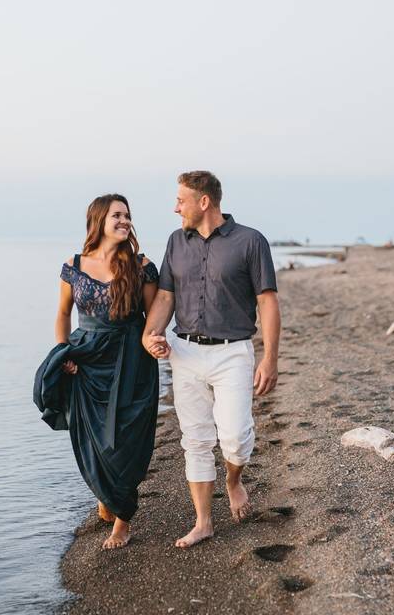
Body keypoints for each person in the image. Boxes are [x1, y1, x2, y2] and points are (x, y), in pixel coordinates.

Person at [142, 171, 281, 548]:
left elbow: (267, 300)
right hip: (185, 352)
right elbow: (166, 297)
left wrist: (270, 358)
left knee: (235, 438)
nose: (175, 207)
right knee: (196, 440)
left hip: (233, 352)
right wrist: (149, 333)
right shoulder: (175, 242)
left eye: (181, 200)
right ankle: (203, 522)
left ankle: (234, 480)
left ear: (204, 202)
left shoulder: (251, 242)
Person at [33, 194, 160, 550]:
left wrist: (157, 343)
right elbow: (62, 314)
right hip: (86, 361)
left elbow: (154, 318)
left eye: (128, 215)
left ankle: (122, 521)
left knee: (127, 439)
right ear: (99, 220)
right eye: (117, 215)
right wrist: (62, 353)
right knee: (88, 436)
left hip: (132, 360)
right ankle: (106, 492)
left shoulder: (142, 265)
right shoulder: (74, 265)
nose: (125, 220)